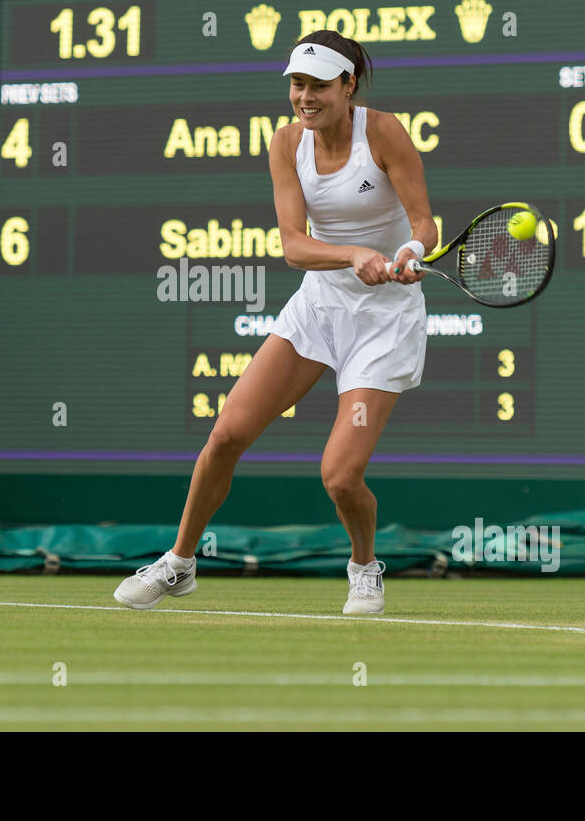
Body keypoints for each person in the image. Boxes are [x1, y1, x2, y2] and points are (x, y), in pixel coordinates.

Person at [113, 31, 436, 616]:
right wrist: (353, 255)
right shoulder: (286, 142)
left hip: (385, 320)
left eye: (316, 85)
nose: (303, 96)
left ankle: (365, 568)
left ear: (348, 85)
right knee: (227, 434)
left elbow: (424, 221)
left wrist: (410, 251)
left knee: (340, 477)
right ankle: (179, 564)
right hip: (317, 307)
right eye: (296, 84)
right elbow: (292, 246)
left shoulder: (384, 131)